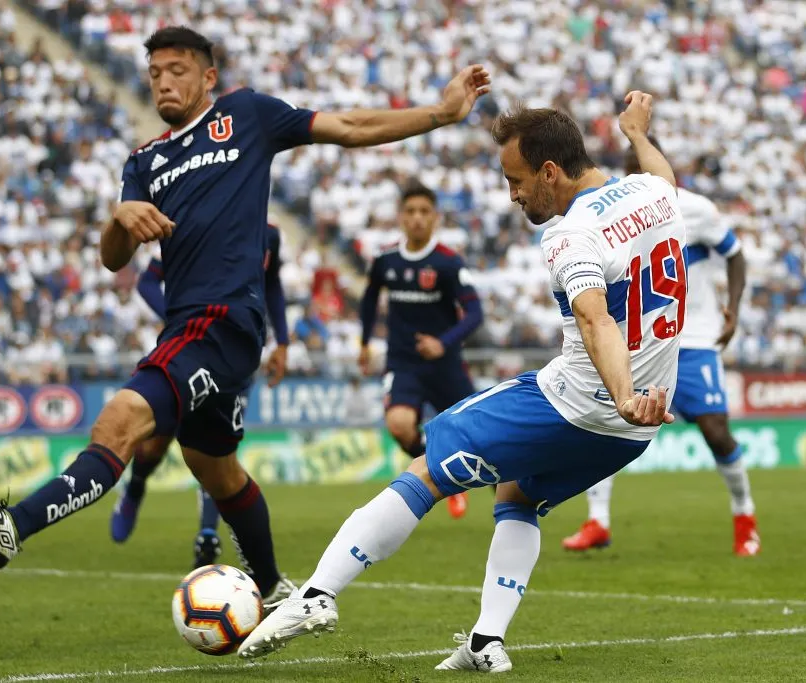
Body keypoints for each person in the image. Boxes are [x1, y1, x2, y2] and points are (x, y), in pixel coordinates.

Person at [0, 25, 490, 612]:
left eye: (177, 70)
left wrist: (440, 113)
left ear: (208, 76)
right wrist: (120, 217)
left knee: (119, 421)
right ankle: (275, 589)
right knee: (214, 466)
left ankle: (15, 525)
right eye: (155, 73)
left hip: (222, 322)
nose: (163, 82)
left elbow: (350, 126)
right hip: (189, 327)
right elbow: (113, 259)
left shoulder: (246, 115)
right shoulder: (144, 161)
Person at [239, 92, 684, 671]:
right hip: (632, 432)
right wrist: (638, 135)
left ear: (550, 172)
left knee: (427, 466)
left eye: (516, 180)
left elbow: (594, 318)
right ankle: (483, 643)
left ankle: (317, 594)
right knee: (517, 495)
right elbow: (663, 175)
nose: (513, 195)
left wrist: (622, 395)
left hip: (580, 404)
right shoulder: (655, 195)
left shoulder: (570, 234)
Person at [563, 136, 758, 556]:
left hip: (694, 336)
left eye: (643, 167)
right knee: (606, 424)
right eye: (630, 169)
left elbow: (736, 254)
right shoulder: (611, 215)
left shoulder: (695, 208)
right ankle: (598, 521)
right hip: (639, 339)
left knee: (715, 431)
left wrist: (734, 308)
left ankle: (745, 517)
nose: (637, 176)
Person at [109, 223, 290, 570]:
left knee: (216, 446)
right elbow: (147, 282)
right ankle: (136, 485)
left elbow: (272, 284)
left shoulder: (268, 233)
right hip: (187, 348)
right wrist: (183, 318)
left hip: (237, 352)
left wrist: (282, 341)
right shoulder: (199, 220)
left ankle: (207, 534)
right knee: (155, 444)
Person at [358, 183, 483, 519]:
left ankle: (514, 505)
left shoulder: (447, 262)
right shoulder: (385, 260)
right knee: (399, 425)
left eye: (424, 212)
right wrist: (364, 342)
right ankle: (445, 474)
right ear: (401, 217)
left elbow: (475, 313)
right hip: (403, 364)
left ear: (435, 217)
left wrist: (443, 342)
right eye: (410, 211)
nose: (417, 218)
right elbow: (369, 300)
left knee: (481, 437)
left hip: (446, 364)